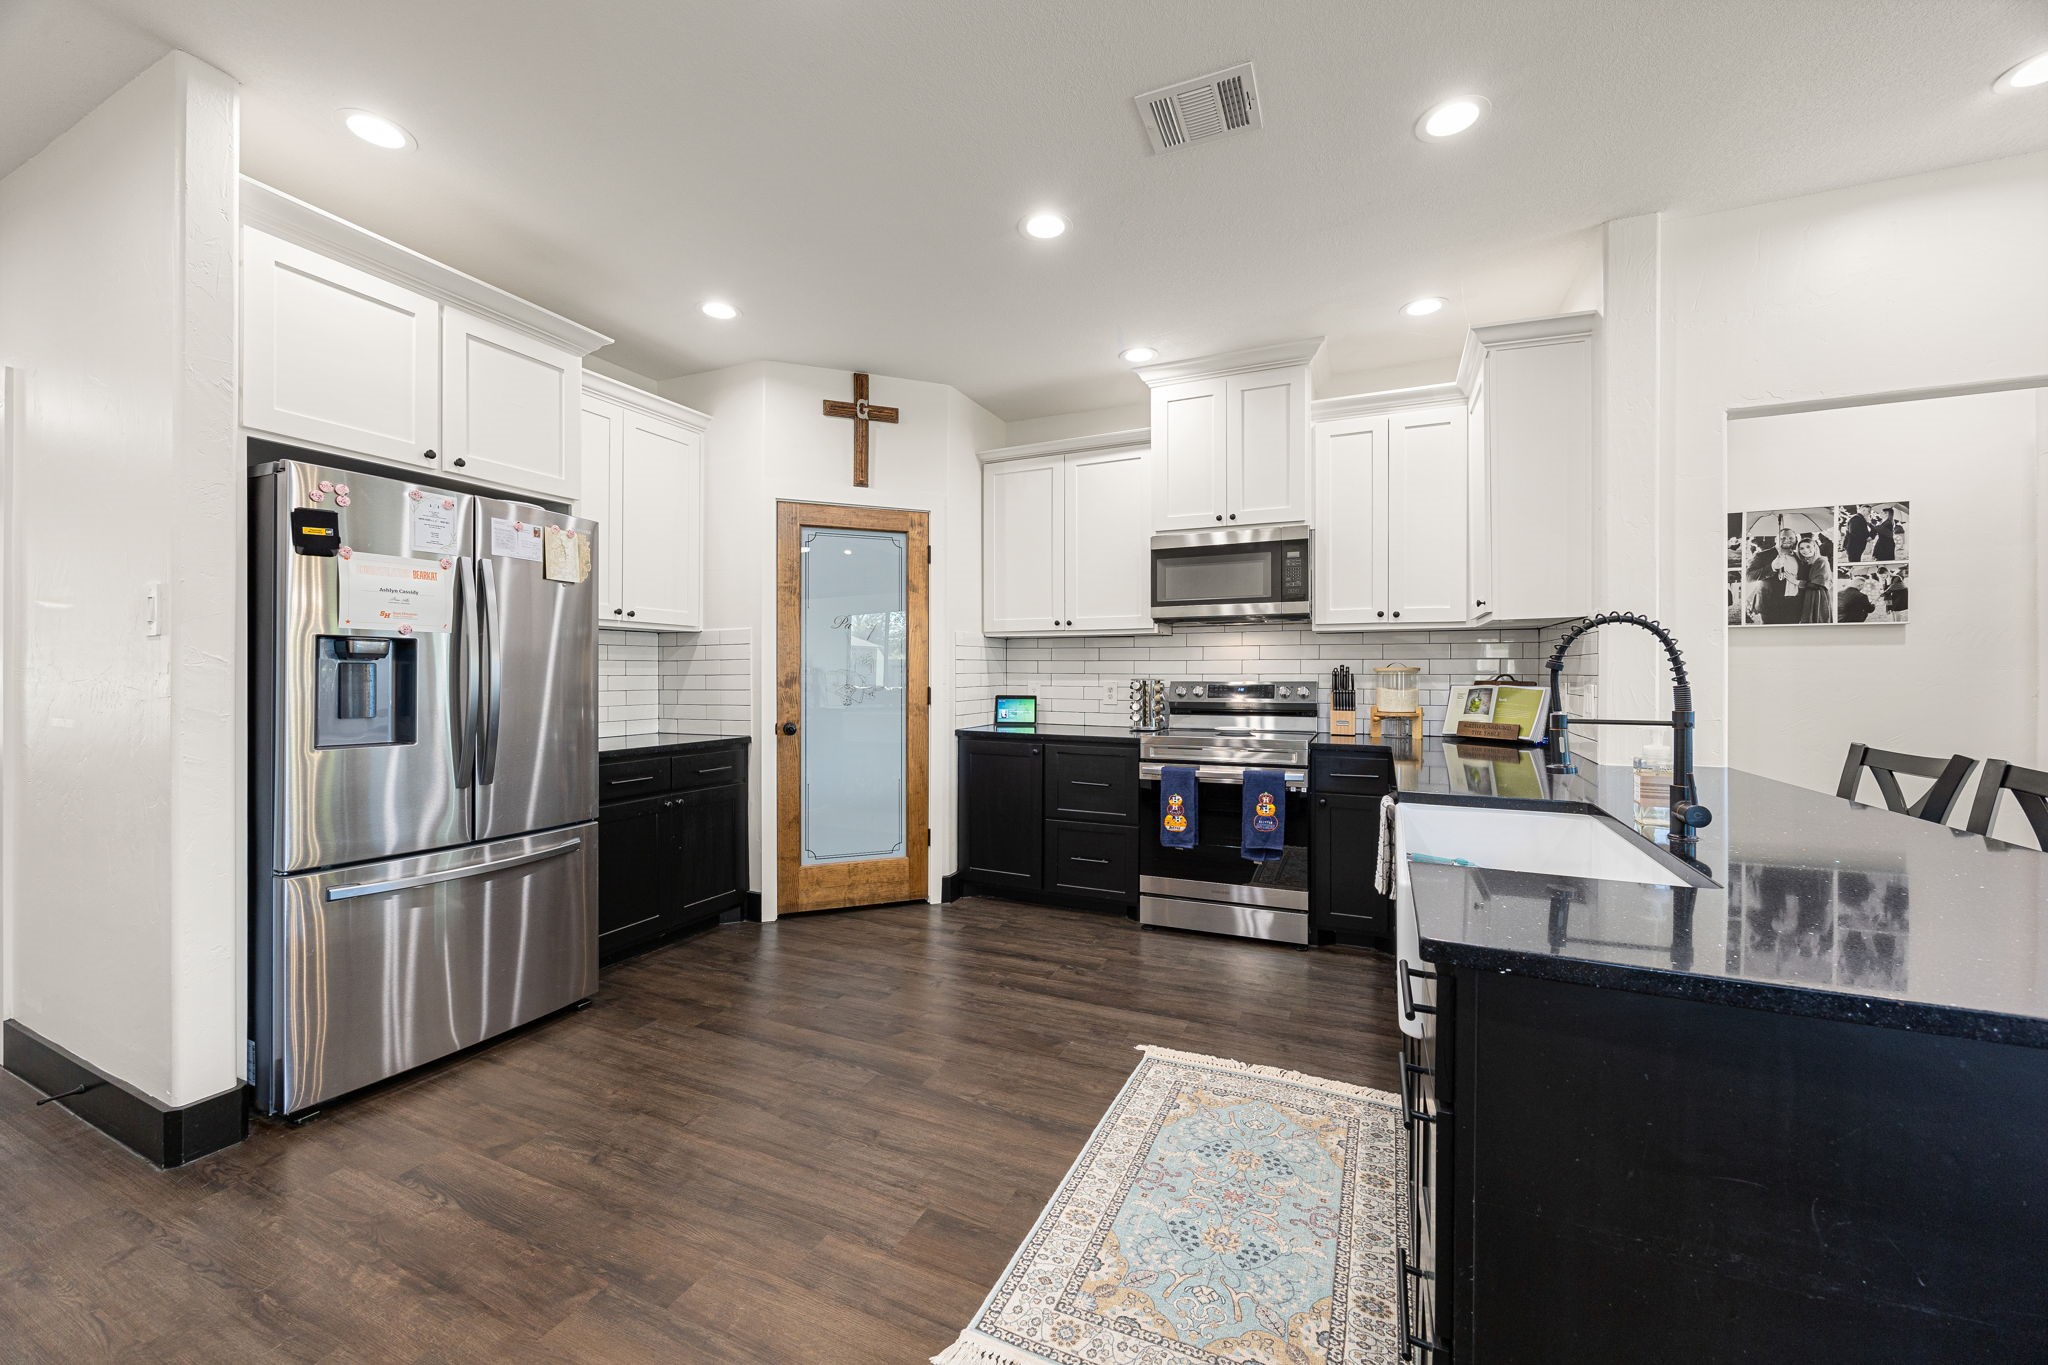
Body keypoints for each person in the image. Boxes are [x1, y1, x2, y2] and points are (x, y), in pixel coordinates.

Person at [1744, 526, 1804, 624]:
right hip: (1770, 606)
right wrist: (1772, 567)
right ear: (1776, 539)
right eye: (1783, 538)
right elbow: (1749, 577)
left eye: (1791, 538)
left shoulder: (1799, 556)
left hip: (1794, 605)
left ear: (1796, 540)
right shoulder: (1762, 555)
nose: (1787, 540)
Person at [1795, 534, 1832, 623]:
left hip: (1816, 596)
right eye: (1801, 548)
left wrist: (1796, 583)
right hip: (1804, 596)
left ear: (1815, 547)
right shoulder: (1804, 562)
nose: (1805, 550)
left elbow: (1817, 585)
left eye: (1808, 547)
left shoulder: (1821, 561)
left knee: (1815, 619)